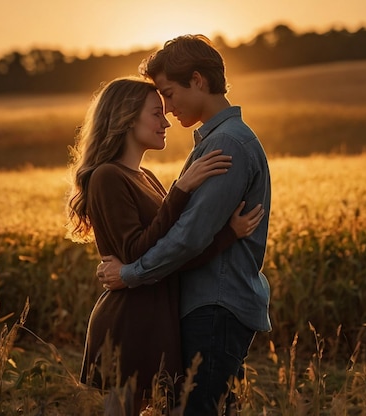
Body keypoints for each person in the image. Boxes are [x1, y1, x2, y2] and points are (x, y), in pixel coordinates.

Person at [66, 76, 264, 415]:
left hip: (158, 316)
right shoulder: (106, 177)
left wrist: (227, 234)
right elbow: (135, 251)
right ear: (127, 118)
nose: (166, 121)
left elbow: (174, 251)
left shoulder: (145, 176)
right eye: (156, 113)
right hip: (130, 320)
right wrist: (182, 188)